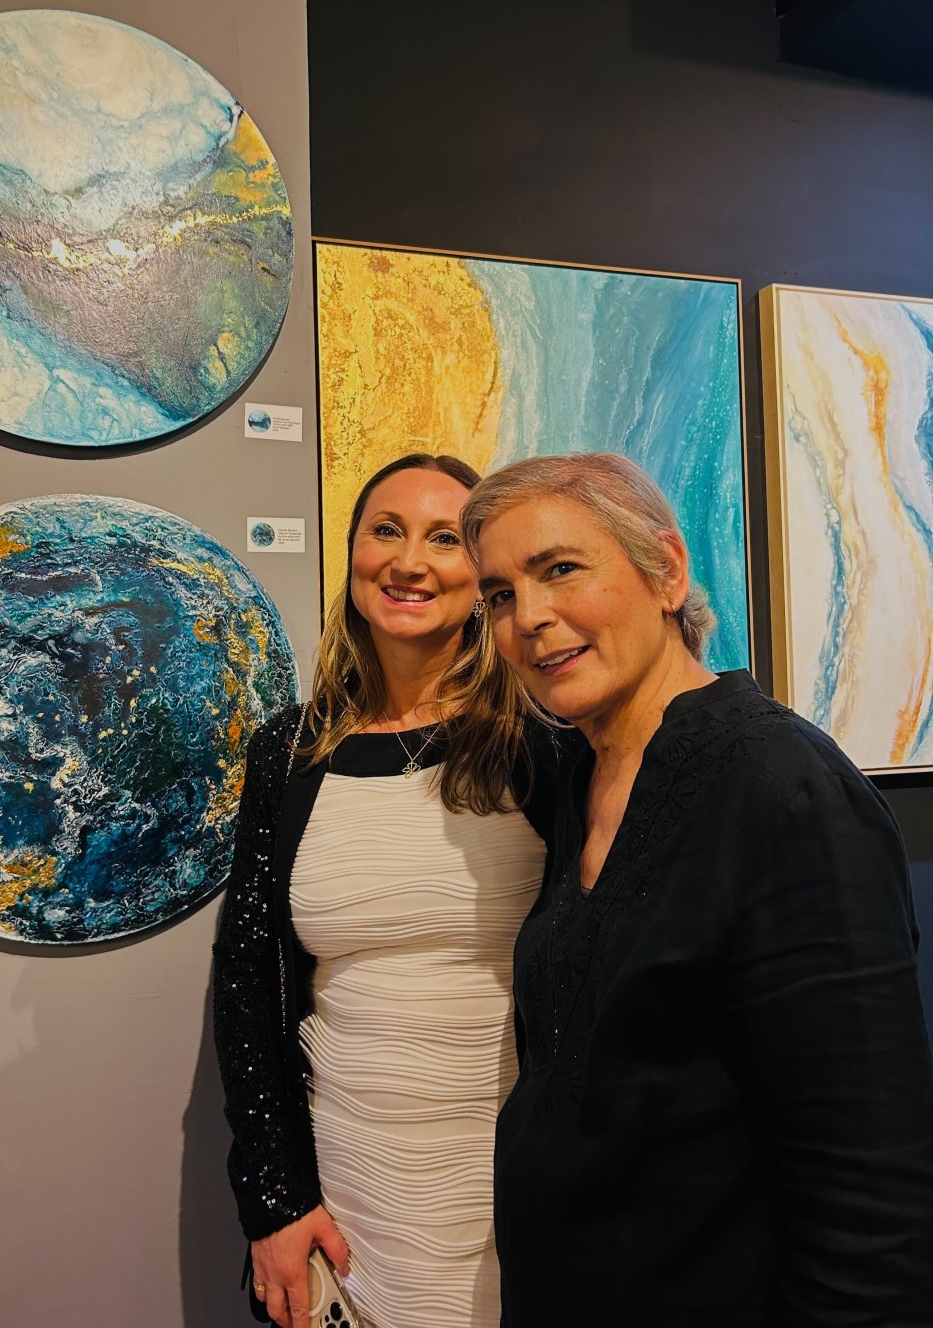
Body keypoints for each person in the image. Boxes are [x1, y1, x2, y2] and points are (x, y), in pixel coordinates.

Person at [461, 451, 933, 1328]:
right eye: (498, 595)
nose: (528, 618)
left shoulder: (786, 794)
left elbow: (871, 1205)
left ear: (667, 572)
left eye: (559, 569)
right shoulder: (585, 776)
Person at [212, 453, 560, 1328]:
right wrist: (274, 1200)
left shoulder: (541, 740)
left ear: (483, 574)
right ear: (354, 553)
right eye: (386, 531)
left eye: (444, 539)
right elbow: (247, 980)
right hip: (347, 1200)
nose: (409, 562)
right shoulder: (290, 752)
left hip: (514, 1194)